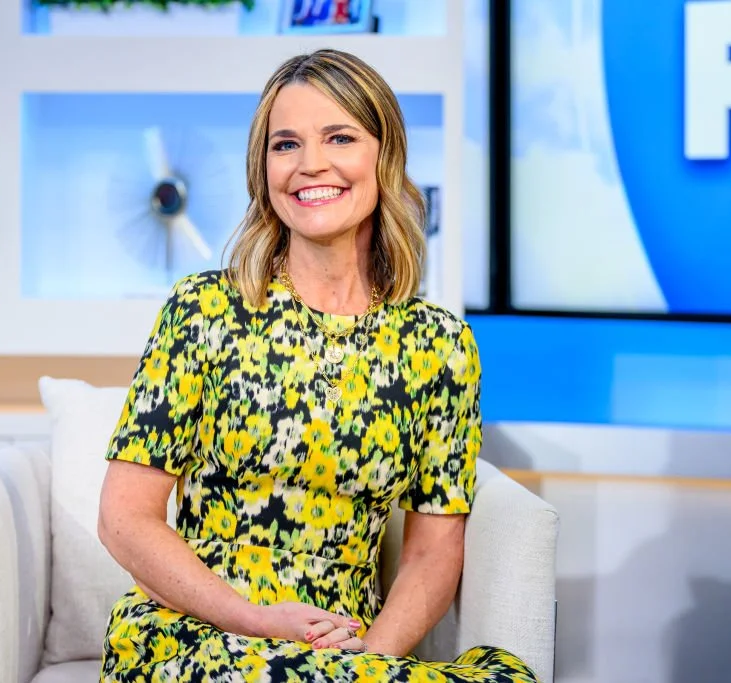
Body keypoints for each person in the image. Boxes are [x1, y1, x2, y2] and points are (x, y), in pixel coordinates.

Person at [97, 48, 538, 683]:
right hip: (202, 638)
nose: (311, 164)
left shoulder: (440, 345)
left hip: (344, 652)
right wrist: (253, 619)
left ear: (384, 158)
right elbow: (124, 520)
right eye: (286, 145)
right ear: (264, 169)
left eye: (339, 137)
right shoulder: (205, 309)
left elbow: (433, 552)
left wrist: (369, 658)